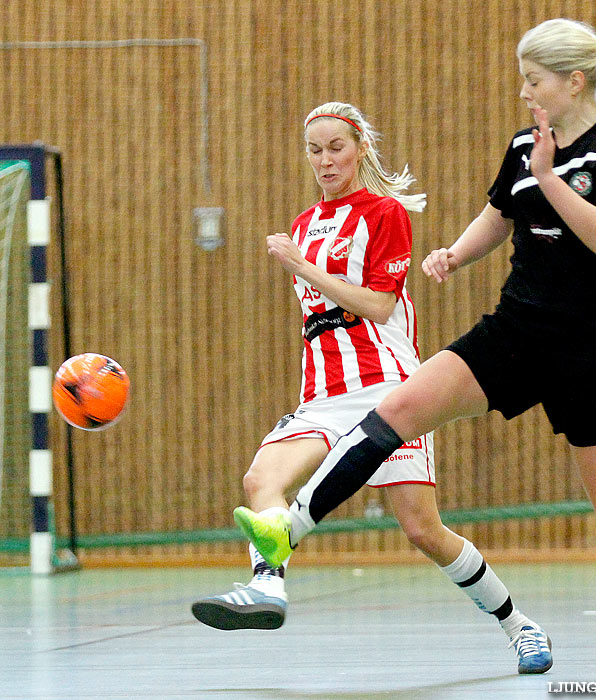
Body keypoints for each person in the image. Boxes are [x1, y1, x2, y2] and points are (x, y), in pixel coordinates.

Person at [235, 20, 596, 682]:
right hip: (516, 328)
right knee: (399, 407)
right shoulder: (524, 146)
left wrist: (548, 177)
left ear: (573, 83)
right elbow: (499, 213)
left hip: (588, 347)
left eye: (534, 80)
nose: (524, 93)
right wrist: (455, 254)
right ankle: (287, 531)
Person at [191, 101, 554, 675]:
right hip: (322, 395)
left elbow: (380, 305)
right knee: (261, 478)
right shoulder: (307, 224)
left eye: (336, 146)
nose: (325, 160)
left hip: (385, 390)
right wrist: (301, 261)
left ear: (359, 148)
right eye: (315, 149)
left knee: (422, 528)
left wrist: (300, 267)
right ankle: (269, 589)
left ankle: (519, 626)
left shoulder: (384, 213)